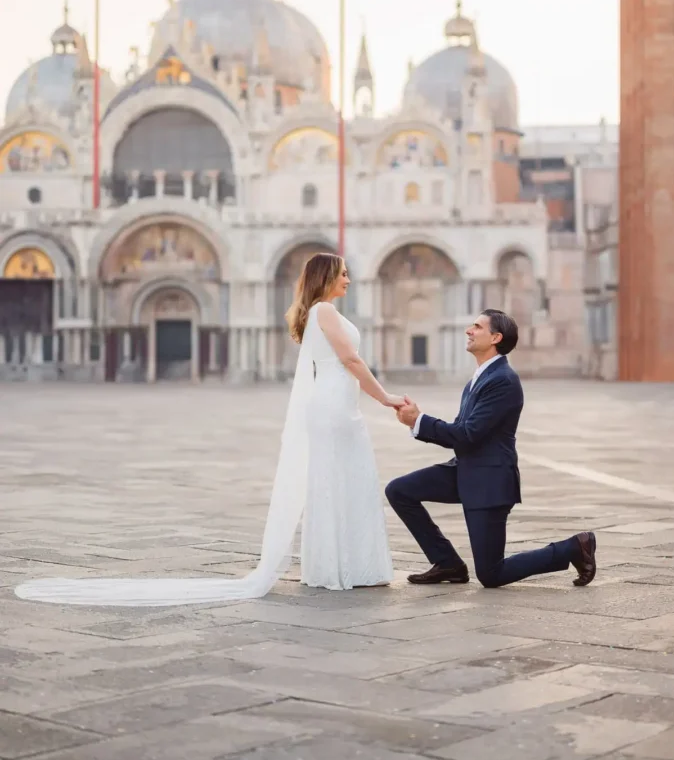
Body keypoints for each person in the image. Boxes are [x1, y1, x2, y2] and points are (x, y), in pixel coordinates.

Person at [15, 253, 400, 606]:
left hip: (333, 404)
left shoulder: (317, 312)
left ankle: (337, 566)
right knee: (343, 480)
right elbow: (350, 358)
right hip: (334, 407)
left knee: (337, 482)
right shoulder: (326, 311)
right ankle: (347, 567)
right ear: (327, 276)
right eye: (344, 273)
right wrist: (384, 397)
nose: (349, 279)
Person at [386, 309, 597, 589]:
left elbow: (467, 434)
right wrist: (418, 423)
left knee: (491, 574)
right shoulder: (480, 378)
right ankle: (447, 562)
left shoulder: (503, 380)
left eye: (477, 327)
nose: (468, 331)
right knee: (399, 490)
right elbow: (463, 431)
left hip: (489, 481)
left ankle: (573, 547)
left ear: (496, 337)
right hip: (464, 470)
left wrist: (419, 421)